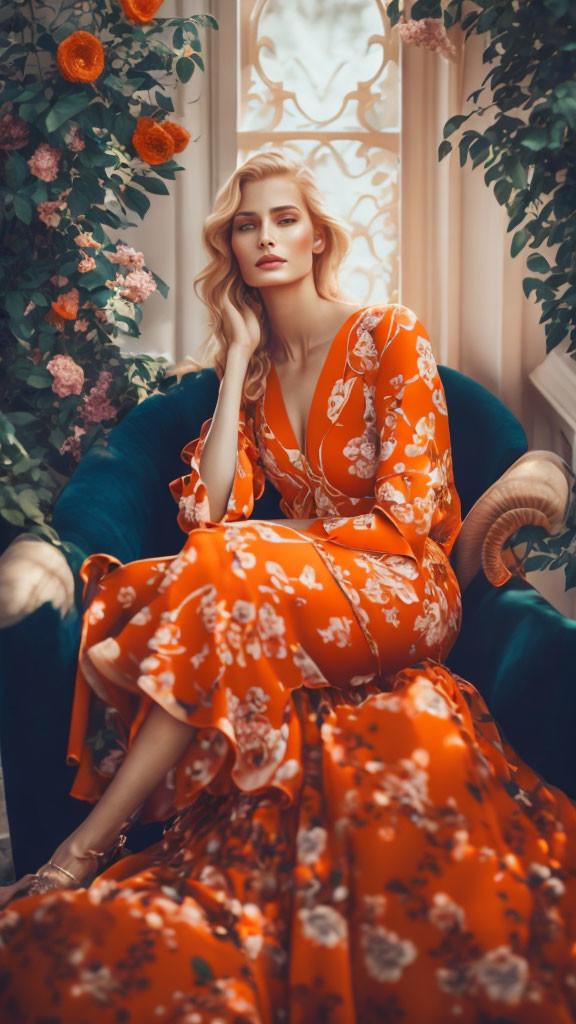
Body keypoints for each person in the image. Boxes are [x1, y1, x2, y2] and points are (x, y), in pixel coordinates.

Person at [0, 150, 575, 1024]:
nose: (265, 237)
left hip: (405, 590)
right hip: (297, 590)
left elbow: (413, 516)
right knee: (204, 564)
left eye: (283, 219)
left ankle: (87, 842)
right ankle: (100, 839)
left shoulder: (390, 335)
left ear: (316, 238)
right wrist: (234, 365)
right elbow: (209, 510)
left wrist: (267, 540)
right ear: (228, 246)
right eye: (245, 224)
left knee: (222, 564)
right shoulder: (259, 369)